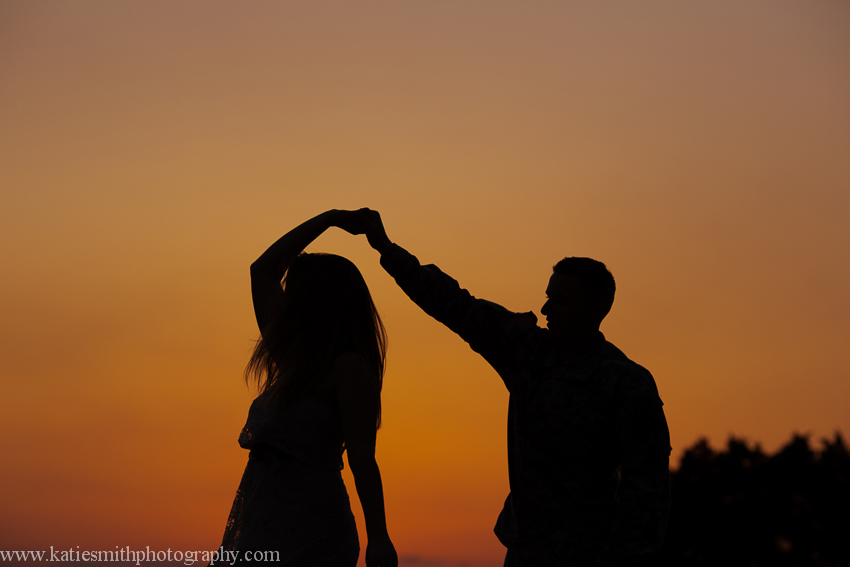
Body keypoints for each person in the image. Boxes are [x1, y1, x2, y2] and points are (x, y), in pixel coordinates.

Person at [349, 208, 671, 567]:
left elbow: (646, 488)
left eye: (561, 300)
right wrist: (387, 249)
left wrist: (623, 558)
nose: (546, 308)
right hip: (525, 550)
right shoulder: (527, 352)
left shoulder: (625, 383)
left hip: (589, 553)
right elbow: (455, 304)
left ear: (597, 308)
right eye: (548, 296)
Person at [213, 210, 398, 567]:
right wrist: (329, 219)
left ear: (316, 301)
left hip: (313, 529)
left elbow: (362, 459)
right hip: (262, 520)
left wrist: (380, 539)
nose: (287, 300)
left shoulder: (348, 368)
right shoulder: (292, 358)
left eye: (297, 291)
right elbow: (262, 270)